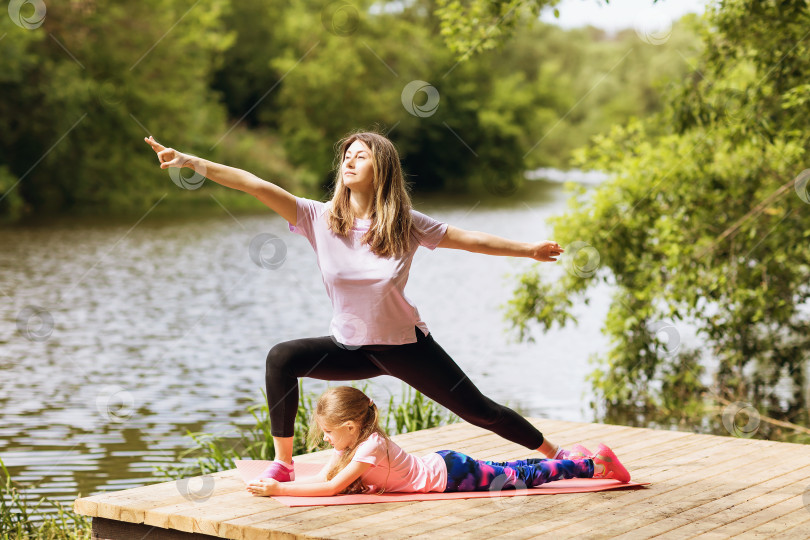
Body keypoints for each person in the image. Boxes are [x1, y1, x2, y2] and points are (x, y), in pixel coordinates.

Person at [144, 130, 573, 484]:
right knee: (282, 357)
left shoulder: (406, 223)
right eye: (346, 155)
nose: (348, 162)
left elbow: (471, 240)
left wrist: (528, 249)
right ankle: (284, 463)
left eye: (360, 156)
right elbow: (251, 184)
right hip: (350, 347)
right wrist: (190, 161)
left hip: (406, 346)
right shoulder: (318, 218)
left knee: (481, 410)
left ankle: (559, 454)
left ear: (380, 168)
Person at [245, 386, 630, 497]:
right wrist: (285, 484)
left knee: (519, 478)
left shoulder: (369, 447)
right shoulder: (353, 443)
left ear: (349, 425)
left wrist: (278, 490)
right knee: (510, 470)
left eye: (328, 432)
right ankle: (576, 460)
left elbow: (330, 487)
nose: (326, 438)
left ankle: (593, 464)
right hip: (446, 464)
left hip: (451, 476)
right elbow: (326, 477)